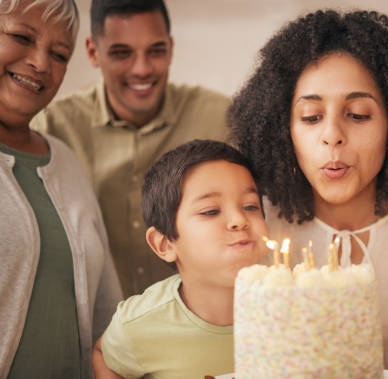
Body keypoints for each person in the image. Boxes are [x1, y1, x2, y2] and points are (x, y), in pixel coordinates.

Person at [229, 10, 388, 375]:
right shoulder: (257, 215)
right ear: (283, 127)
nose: (332, 135)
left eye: (358, 114)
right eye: (311, 117)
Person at [31, 0, 231, 297]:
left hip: (201, 324)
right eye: (122, 53)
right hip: (98, 333)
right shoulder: (51, 127)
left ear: (171, 49)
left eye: (156, 51)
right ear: (92, 52)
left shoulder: (221, 119)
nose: (142, 68)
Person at [0, 0, 122, 378]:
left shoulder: (66, 162)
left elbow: (107, 308)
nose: (40, 63)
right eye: (21, 36)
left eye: (59, 54)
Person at [91, 139, 269, 378]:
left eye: (250, 206)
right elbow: (104, 355)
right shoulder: (140, 324)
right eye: (210, 211)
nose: (239, 219)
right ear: (164, 244)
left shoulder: (293, 305)